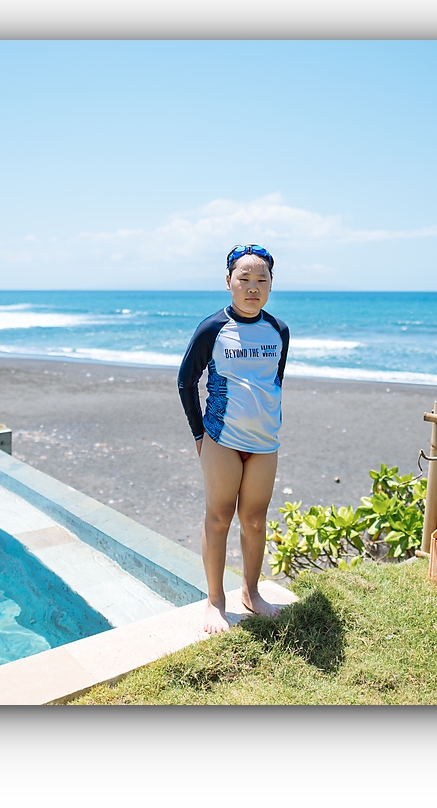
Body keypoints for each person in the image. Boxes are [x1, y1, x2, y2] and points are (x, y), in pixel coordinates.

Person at [178, 244, 290, 634]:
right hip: (222, 439)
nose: (253, 287)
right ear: (229, 282)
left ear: (271, 284)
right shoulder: (212, 328)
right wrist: (199, 434)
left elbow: (273, 381)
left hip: (265, 443)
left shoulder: (279, 330)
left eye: (262, 279)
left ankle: (251, 592)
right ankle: (215, 601)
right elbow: (186, 381)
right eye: (244, 278)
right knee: (219, 518)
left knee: (255, 521)